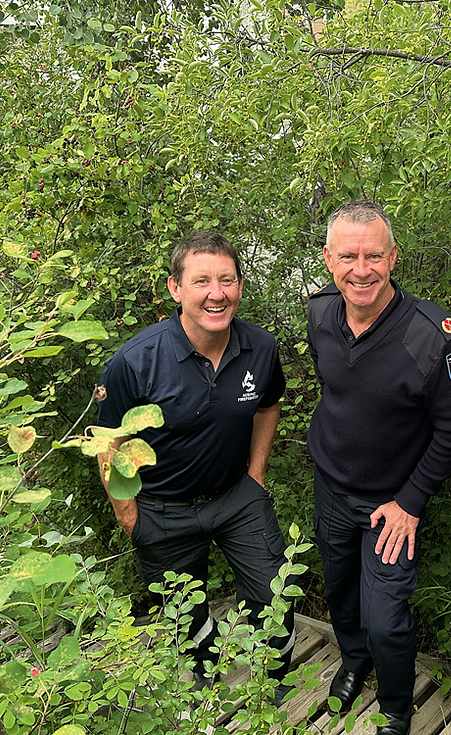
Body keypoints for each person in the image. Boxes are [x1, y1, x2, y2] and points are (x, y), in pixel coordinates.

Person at [96, 231, 295, 695]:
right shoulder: (134, 362)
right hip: (163, 508)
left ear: (240, 287)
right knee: (186, 613)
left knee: (276, 597)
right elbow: (109, 444)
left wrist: (257, 474)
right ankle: (205, 687)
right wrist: (130, 516)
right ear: (175, 289)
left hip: (236, 497)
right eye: (202, 281)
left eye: (227, 280)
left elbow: (267, 406)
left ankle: (281, 685)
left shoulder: (260, 348)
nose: (216, 293)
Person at [307, 200, 451, 735]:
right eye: (349, 256)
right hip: (331, 488)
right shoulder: (318, 313)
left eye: (374, 256)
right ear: (329, 258)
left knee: (387, 619)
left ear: (394, 256)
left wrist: (410, 503)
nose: (362, 270)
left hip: (391, 504)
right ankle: (353, 662)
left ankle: (397, 708)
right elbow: (335, 388)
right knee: (339, 593)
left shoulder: (437, 336)